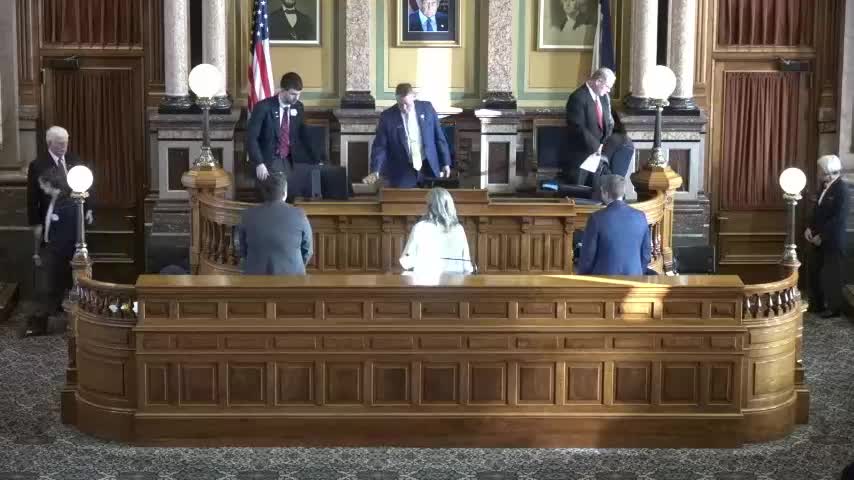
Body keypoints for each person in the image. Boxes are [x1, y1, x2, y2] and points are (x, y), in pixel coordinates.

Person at [367, 83, 451, 188]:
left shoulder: (427, 108)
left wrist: (445, 163)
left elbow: (439, 137)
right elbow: (380, 146)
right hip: (403, 171)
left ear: (413, 97)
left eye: (407, 104)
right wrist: (375, 169)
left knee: (432, 196)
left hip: (429, 166)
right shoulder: (387, 117)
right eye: (400, 104)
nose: (404, 108)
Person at [27, 168, 80, 337]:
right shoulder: (53, 201)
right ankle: (40, 323)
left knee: (47, 289)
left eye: (42, 184)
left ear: (50, 183)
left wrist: (52, 255)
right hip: (51, 250)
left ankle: (39, 325)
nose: (41, 188)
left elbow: (69, 235)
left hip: (60, 254)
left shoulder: (68, 205)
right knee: (48, 290)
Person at [247, 72, 318, 184]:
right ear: (283, 90)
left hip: (291, 160)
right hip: (269, 161)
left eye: (299, 94)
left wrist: (316, 159)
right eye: (293, 94)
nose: (296, 98)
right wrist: (259, 163)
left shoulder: (298, 107)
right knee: (278, 189)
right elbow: (251, 138)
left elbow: (304, 134)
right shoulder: (263, 107)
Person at [237, 173, 313, 275]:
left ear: (264, 193)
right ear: (284, 193)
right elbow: (308, 250)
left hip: (255, 280)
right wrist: (294, 267)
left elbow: (242, 250)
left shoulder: (247, 215)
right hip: (292, 279)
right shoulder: (299, 214)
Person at [27, 126, 93, 243]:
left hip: (74, 216)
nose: (64, 146)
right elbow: (32, 196)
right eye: (60, 143)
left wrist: (88, 208)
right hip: (51, 217)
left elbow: (86, 184)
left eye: (66, 142)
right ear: (49, 143)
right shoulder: (37, 165)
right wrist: (36, 223)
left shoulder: (75, 159)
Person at [576, 175, 652, 275]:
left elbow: (587, 257)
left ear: (605, 193)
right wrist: (638, 274)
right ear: (623, 192)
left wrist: (582, 277)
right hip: (634, 279)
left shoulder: (596, 218)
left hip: (603, 281)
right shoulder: (641, 216)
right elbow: (646, 254)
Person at [805, 154, 850, 318]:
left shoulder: (842, 189)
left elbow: (839, 218)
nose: (818, 172)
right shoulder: (823, 187)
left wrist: (822, 236)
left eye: (820, 169)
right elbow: (817, 211)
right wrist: (809, 228)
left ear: (827, 172)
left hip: (832, 240)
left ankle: (834, 308)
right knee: (814, 272)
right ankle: (816, 304)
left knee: (832, 275)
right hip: (817, 238)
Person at [399, 187, 473, 275]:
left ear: (430, 207)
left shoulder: (420, 227)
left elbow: (405, 263)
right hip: (455, 281)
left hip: (425, 281)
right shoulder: (459, 229)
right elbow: (467, 266)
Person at [564, 68, 617, 187]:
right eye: (607, 86)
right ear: (598, 81)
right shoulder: (577, 97)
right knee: (580, 192)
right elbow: (578, 127)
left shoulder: (604, 97)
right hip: (582, 155)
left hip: (599, 154)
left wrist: (603, 144)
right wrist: (596, 147)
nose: (608, 90)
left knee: (602, 189)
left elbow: (608, 123)